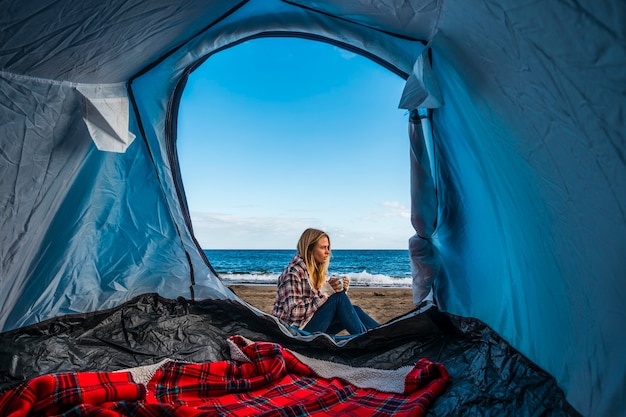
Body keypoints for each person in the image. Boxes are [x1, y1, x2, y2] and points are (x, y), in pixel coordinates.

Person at [271, 228, 379, 335]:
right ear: (309, 249)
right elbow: (294, 312)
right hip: (293, 333)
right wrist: (326, 291)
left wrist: (339, 289)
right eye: (323, 247)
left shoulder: (314, 272)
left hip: (308, 325)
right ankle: (367, 341)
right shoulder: (293, 273)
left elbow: (322, 304)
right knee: (339, 299)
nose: (327, 252)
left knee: (354, 310)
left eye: (328, 247)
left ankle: (384, 335)